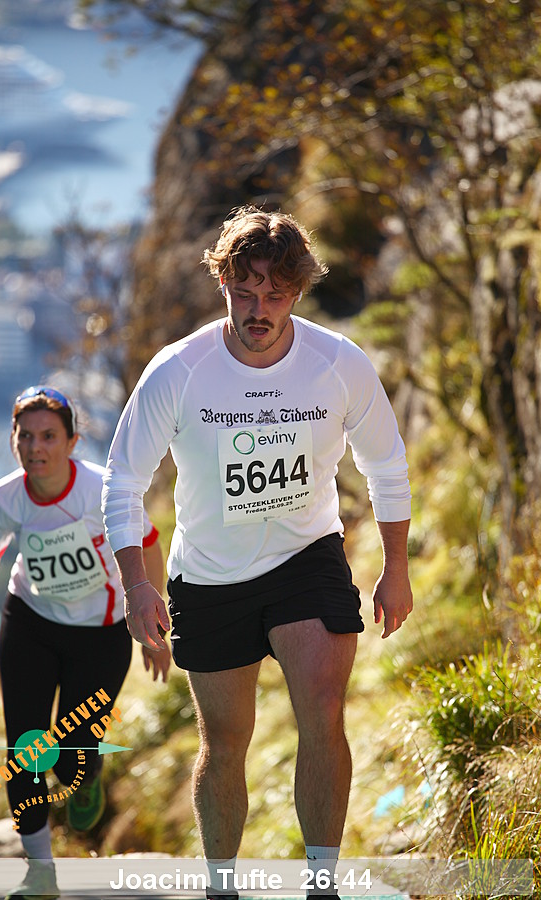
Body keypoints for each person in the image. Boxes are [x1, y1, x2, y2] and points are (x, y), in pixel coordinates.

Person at [101, 206, 413, 898]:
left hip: (307, 559)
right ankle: (222, 885)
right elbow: (123, 481)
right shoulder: (179, 371)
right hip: (210, 575)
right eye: (244, 292)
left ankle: (322, 884)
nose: (258, 310)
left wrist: (396, 567)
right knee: (225, 741)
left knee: (323, 709)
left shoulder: (338, 363)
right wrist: (137, 586)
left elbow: (387, 465)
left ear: (297, 292)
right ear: (223, 285)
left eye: (274, 294)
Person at [0, 385, 169, 900]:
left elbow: (149, 545)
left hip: (100, 633)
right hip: (30, 622)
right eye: (25, 436)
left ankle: (88, 773)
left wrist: (153, 624)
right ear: (14, 440)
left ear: (73, 442)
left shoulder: (102, 491)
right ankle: (40, 873)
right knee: (26, 747)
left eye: (49, 436)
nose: (36, 447)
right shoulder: (2, 498)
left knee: (70, 757)